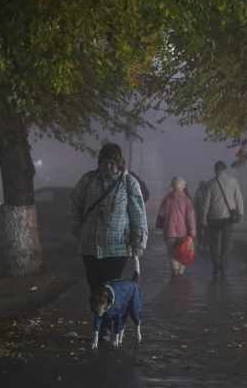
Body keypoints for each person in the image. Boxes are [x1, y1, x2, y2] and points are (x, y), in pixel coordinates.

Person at [70, 143, 148, 336]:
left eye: (112, 163)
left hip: (117, 246)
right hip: (90, 244)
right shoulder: (88, 180)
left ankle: (106, 326)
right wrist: (77, 227)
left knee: (110, 286)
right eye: (104, 162)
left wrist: (138, 241)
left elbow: (138, 213)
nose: (108, 167)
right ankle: (100, 322)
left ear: (119, 163)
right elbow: (75, 203)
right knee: (95, 285)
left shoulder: (129, 183)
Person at [199, 161, 244, 278]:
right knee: (226, 243)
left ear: (215, 170)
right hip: (229, 217)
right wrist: (240, 213)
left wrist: (203, 217)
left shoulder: (211, 183)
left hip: (213, 217)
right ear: (225, 170)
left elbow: (206, 202)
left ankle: (216, 264)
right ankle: (224, 268)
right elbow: (238, 199)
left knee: (213, 241)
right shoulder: (233, 182)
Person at [156, 176, 196, 277]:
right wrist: (192, 232)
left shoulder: (167, 199)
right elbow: (190, 218)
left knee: (171, 251)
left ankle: (175, 268)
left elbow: (161, 214)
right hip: (183, 232)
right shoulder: (187, 200)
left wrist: (160, 225)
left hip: (169, 230)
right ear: (183, 186)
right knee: (183, 251)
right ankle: (181, 271)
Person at [193, 180, 209, 251]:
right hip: (207, 215)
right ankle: (205, 243)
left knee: (199, 229)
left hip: (199, 214)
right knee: (206, 229)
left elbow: (195, 203)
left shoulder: (198, 192)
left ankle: (200, 242)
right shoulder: (209, 192)